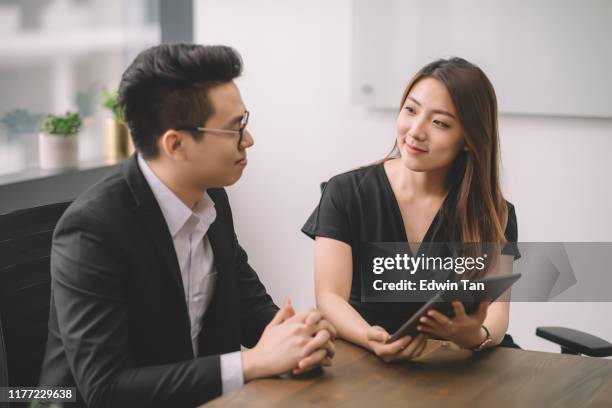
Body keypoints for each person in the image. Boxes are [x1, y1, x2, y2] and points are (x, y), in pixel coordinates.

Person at [39, 44, 335, 408]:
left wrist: (297, 336)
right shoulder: (92, 230)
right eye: (234, 129)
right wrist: (253, 362)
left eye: (245, 122)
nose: (249, 139)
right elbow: (105, 390)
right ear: (176, 144)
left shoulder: (211, 196)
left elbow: (248, 305)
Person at [302, 57, 519, 363]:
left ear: (469, 140)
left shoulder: (493, 212)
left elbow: (497, 312)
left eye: (440, 123)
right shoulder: (347, 192)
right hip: (367, 357)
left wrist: (477, 336)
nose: (415, 131)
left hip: (458, 364)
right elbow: (329, 298)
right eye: (411, 110)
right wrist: (370, 338)